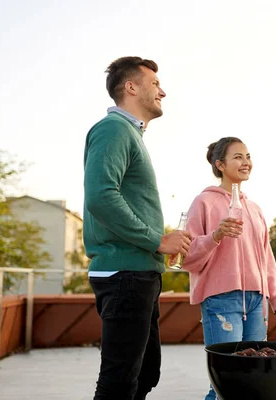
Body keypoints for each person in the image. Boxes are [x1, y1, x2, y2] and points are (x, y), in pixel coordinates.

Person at [83, 56, 192, 400]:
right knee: (119, 382)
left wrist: (159, 246)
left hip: (138, 272)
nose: (163, 91)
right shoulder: (113, 129)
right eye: (155, 84)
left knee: (145, 373)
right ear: (131, 87)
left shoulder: (130, 134)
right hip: (124, 273)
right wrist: (157, 240)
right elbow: (100, 197)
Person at [181, 137, 276, 400]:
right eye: (238, 157)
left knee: (253, 378)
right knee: (226, 379)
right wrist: (216, 236)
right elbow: (188, 257)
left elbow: (267, 259)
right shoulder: (203, 202)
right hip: (221, 300)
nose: (246, 162)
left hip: (256, 302)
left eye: (248, 156)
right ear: (220, 164)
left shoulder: (254, 208)